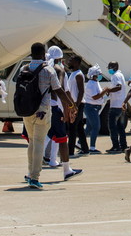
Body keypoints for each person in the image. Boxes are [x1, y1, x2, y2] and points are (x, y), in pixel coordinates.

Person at [22, 43, 75, 189]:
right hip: (42, 110)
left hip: (27, 110)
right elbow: (59, 91)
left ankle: (29, 172)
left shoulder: (24, 68)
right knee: (39, 142)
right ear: (43, 53)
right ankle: (34, 177)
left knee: (32, 142)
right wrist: (71, 105)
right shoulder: (49, 70)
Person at [44, 46, 83, 180]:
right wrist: (71, 106)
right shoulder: (59, 69)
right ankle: (66, 170)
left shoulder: (44, 68)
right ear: (60, 58)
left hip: (43, 108)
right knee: (62, 139)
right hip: (55, 108)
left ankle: (34, 168)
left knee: (46, 136)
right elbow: (61, 90)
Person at [66, 55, 88, 156]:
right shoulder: (72, 74)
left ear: (77, 63)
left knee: (72, 127)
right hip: (73, 104)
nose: (69, 62)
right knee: (79, 127)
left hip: (77, 104)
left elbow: (81, 91)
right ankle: (85, 149)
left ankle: (70, 151)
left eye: (72, 60)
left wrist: (76, 106)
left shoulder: (78, 75)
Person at [83, 65, 108, 153]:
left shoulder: (95, 82)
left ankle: (79, 143)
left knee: (89, 127)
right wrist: (105, 91)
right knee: (96, 127)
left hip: (94, 108)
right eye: (98, 74)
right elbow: (95, 97)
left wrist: (104, 94)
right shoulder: (91, 84)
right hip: (91, 108)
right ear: (94, 75)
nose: (100, 76)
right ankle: (92, 147)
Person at [105, 62, 128, 152]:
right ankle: (123, 145)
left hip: (115, 106)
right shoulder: (120, 75)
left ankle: (116, 146)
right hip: (121, 104)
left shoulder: (116, 76)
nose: (108, 69)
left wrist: (109, 90)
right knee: (120, 127)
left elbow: (118, 87)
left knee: (112, 127)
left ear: (114, 67)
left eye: (109, 67)